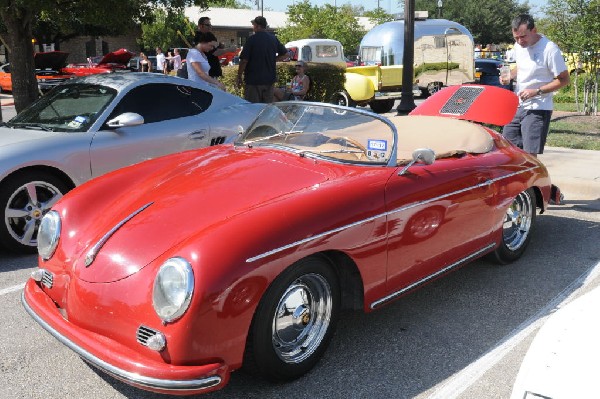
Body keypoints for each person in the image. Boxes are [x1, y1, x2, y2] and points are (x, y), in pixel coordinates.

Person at [501, 14, 569, 157]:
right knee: (508, 149)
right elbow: (522, 67)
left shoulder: (550, 49)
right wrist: (510, 76)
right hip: (518, 105)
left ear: (534, 30)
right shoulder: (519, 46)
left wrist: (537, 91)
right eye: (516, 38)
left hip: (538, 107)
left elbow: (564, 79)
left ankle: (534, 179)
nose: (519, 41)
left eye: (523, 37)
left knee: (529, 156)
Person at [236, 16, 288, 103]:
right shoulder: (273, 39)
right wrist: (273, 59)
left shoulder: (252, 39)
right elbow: (285, 54)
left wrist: (239, 76)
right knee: (266, 109)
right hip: (269, 81)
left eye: (253, 25)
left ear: (258, 26)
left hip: (254, 81)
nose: (252, 27)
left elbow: (244, 60)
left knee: (253, 109)